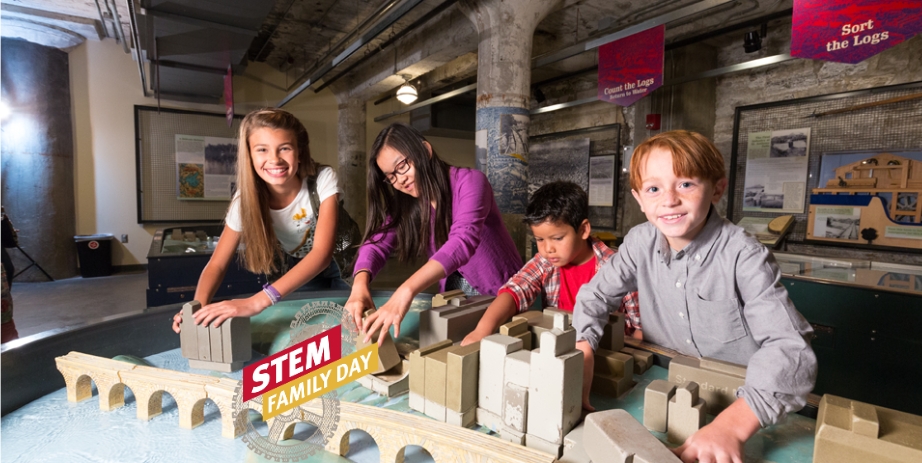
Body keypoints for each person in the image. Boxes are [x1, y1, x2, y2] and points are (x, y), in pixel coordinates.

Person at [572, 130, 817, 463]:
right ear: (639, 200)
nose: (669, 200)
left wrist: (733, 426)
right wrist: (583, 347)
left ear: (717, 188)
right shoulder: (639, 242)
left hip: (742, 402)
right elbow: (594, 297)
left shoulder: (744, 255)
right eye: (654, 189)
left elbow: (791, 350)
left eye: (686, 184)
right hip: (665, 385)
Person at [345, 122, 523, 344]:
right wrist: (360, 284)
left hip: (503, 296)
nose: (400, 180)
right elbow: (376, 243)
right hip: (453, 298)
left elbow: (463, 240)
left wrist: (406, 290)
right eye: (390, 176)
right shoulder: (407, 204)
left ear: (425, 151)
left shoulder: (471, 182)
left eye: (402, 166)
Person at [172, 108, 346, 333]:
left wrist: (255, 302)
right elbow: (217, 264)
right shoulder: (244, 199)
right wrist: (196, 307)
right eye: (262, 150)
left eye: (285, 148)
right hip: (299, 266)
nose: (274, 159)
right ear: (250, 156)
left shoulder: (323, 178)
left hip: (344, 263)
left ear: (300, 152)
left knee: (350, 323)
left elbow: (322, 254)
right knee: (310, 326)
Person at [460, 181, 640, 346]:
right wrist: (482, 330)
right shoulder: (545, 262)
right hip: (560, 346)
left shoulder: (619, 267)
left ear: (583, 229)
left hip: (605, 351)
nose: (548, 249)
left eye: (558, 238)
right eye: (539, 239)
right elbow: (515, 290)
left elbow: (639, 328)